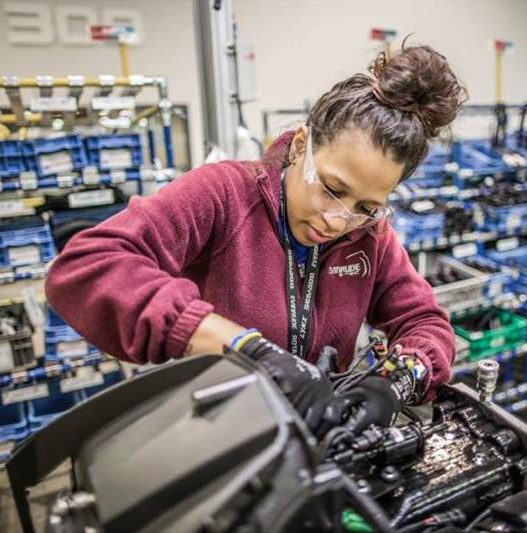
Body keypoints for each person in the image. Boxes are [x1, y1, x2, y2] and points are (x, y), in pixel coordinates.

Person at [45, 43, 466, 437]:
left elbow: (425, 321)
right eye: (332, 189)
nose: (339, 220)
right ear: (302, 145)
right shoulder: (224, 194)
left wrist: (395, 382)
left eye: (367, 205)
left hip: (314, 438)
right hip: (217, 433)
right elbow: (90, 264)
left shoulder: (368, 235)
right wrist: (244, 349)